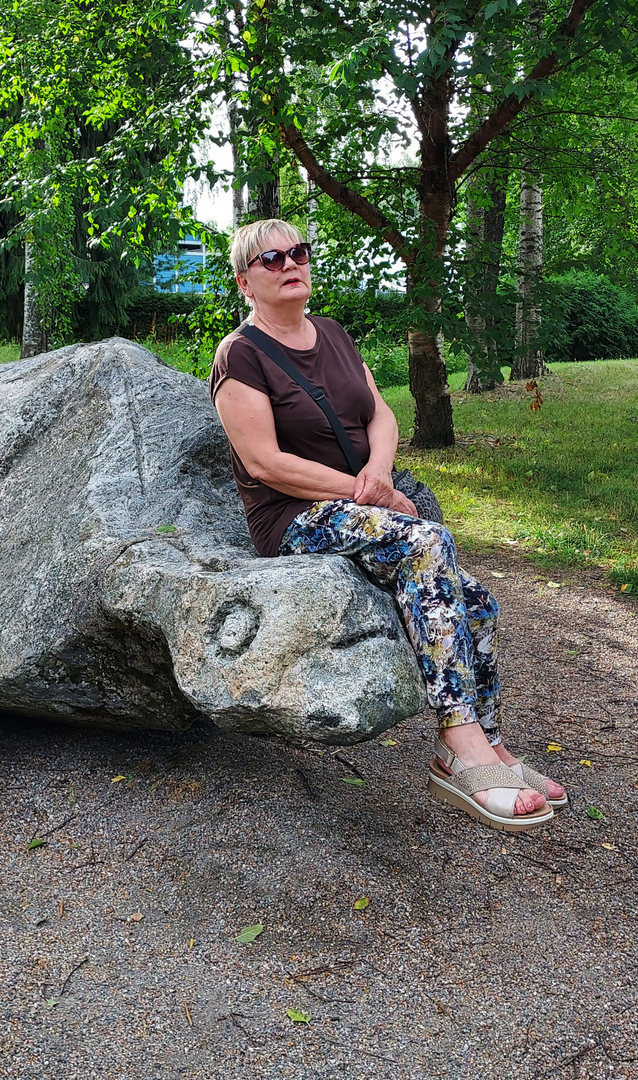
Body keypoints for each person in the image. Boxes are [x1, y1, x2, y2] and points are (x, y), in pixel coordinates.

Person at [208, 219, 566, 832]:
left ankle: (495, 745)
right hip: (293, 518)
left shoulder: (334, 334)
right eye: (271, 258)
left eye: (299, 252)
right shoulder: (238, 355)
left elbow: (381, 414)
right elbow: (264, 462)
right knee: (426, 541)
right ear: (246, 281)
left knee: (477, 602)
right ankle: (459, 744)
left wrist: (377, 475)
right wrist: (362, 491)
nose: (291, 263)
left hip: (362, 499)